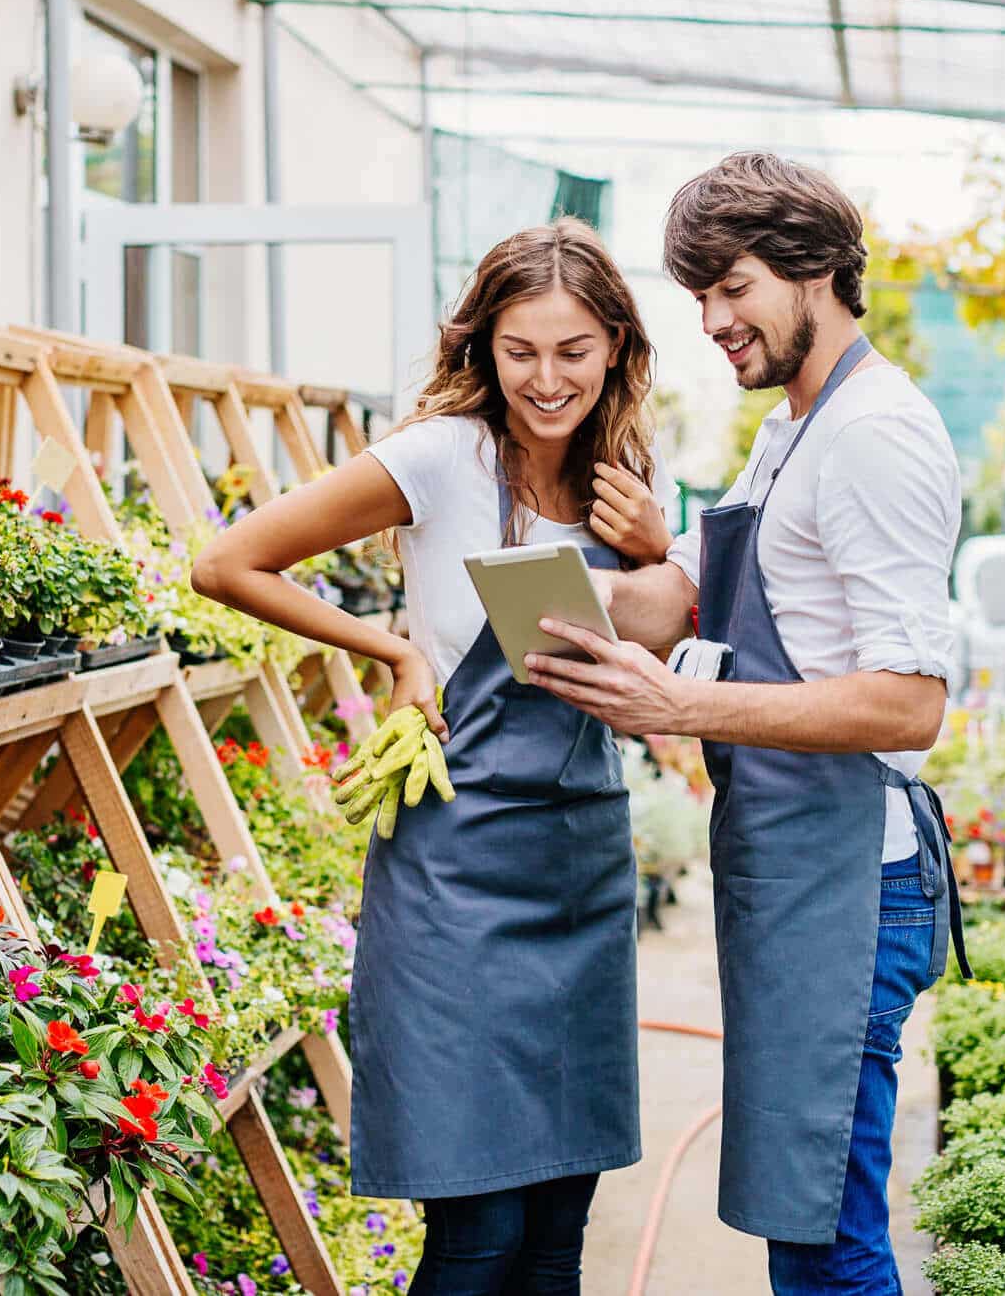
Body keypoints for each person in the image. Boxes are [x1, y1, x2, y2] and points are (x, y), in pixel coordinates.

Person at [190, 218, 675, 1296]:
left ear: (617, 350)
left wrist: (658, 548)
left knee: (557, 1234)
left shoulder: (629, 474)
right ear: (483, 347)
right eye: (521, 351)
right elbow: (227, 563)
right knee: (481, 1233)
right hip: (458, 871)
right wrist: (392, 644)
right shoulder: (439, 456)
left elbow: (675, 639)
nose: (548, 380)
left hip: (582, 864)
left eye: (574, 352)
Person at [525, 153, 972, 1295]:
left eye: (732, 288)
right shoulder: (794, 426)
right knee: (796, 1213)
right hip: (791, 865)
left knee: (825, 1235)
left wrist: (682, 703)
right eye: (700, 297)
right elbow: (684, 591)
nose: (714, 320)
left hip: (848, 878)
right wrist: (546, 577)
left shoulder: (874, 433)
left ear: (817, 265)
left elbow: (910, 703)